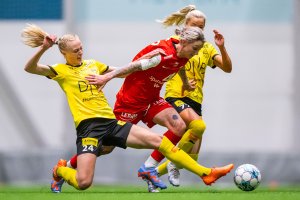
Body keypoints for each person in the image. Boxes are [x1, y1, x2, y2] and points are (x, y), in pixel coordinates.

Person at [22, 24, 234, 193]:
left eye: (81, 48)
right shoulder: (60, 71)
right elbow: (30, 68)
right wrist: (43, 48)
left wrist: (141, 63)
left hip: (112, 123)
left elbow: (125, 72)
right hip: (90, 129)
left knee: (162, 140)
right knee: (84, 181)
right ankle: (61, 169)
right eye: (76, 50)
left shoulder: (93, 64)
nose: (80, 52)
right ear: (64, 53)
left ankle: (205, 173)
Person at [143, 5, 233, 192]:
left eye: (201, 27)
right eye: (194, 25)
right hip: (176, 95)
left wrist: (222, 48)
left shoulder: (206, 48)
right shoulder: (177, 43)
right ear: (186, 25)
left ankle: (152, 172)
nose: (198, 29)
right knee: (198, 126)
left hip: (195, 101)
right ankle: (170, 165)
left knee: (191, 159)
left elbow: (227, 68)